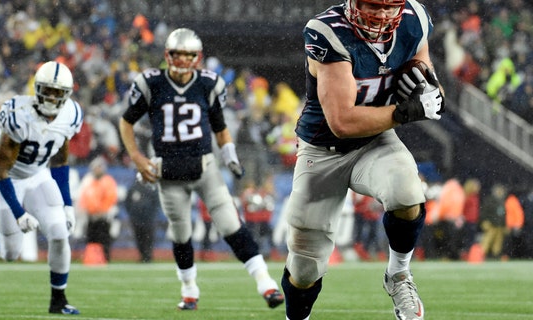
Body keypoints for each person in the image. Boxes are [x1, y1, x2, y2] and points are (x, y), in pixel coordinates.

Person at [280, 1, 445, 319]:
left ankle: (398, 275)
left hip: (375, 142)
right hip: (322, 151)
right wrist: (403, 111)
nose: (382, 14)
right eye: (372, 4)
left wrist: (429, 90)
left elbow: (431, 88)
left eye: (389, 6)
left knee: (407, 191)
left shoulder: (414, 20)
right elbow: (342, 122)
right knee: (304, 269)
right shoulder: (329, 32)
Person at [118, 28, 284, 310]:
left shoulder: (208, 84)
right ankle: (189, 289)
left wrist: (229, 153)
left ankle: (266, 284)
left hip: (205, 167)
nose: (183, 60)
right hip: (168, 173)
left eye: (188, 55)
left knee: (231, 224)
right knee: (180, 234)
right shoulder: (151, 83)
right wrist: (136, 157)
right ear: (167, 55)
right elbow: (126, 122)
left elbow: (220, 127)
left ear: (198, 57)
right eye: (178, 54)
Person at [0, 61, 82, 315]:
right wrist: (19, 213)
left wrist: (68, 204)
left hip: (38, 174)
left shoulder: (71, 114)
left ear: (67, 95)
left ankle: (58, 300)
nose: (51, 97)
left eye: (57, 92)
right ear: (36, 88)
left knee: (60, 232)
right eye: (46, 90)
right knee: (10, 252)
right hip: (7, 178)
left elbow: (60, 160)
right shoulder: (19, 115)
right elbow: (0, 170)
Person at [77, 156, 119, 262]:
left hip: (104, 217)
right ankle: (92, 260)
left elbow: (111, 197)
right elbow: (84, 197)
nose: (97, 169)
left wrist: (102, 211)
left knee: (104, 240)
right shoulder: (89, 180)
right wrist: (86, 210)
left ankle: (105, 260)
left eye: (99, 167)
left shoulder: (108, 181)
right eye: (95, 167)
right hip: (91, 216)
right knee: (91, 240)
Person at [124, 178, 161, 263]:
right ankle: (142, 255)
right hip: (136, 219)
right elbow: (127, 202)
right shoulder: (133, 188)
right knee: (139, 238)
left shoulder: (152, 188)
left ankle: (148, 256)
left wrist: (152, 215)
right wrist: (132, 215)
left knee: (148, 238)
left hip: (148, 219)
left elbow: (156, 203)